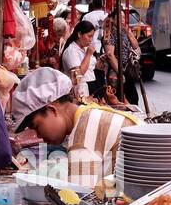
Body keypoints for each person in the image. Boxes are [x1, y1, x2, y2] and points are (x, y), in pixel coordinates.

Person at [9, 67, 142, 187]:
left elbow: (80, 201)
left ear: (52, 110)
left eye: (36, 126)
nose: (38, 135)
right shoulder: (88, 115)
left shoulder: (83, 132)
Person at [101, 9, 142, 106]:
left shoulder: (124, 31)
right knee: (118, 98)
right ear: (112, 19)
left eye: (124, 17)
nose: (122, 20)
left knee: (133, 97)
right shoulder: (109, 33)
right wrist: (120, 72)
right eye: (120, 17)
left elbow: (135, 46)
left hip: (127, 68)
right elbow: (110, 55)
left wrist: (129, 33)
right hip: (115, 69)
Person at [61, 20, 98, 99]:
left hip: (89, 86)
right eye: (89, 36)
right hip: (78, 91)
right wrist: (88, 55)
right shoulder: (71, 51)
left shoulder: (85, 48)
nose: (91, 40)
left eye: (92, 36)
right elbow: (78, 75)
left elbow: (91, 67)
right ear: (79, 34)